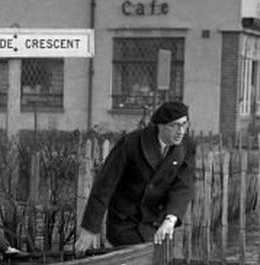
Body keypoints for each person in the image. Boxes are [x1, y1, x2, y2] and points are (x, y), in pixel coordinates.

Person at [75, 100, 196, 253]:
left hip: (153, 224)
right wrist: (90, 228)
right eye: (174, 125)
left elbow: (183, 185)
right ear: (160, 125)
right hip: (124, 223)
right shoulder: (130, 144)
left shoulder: (186, 146)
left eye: (184, 124)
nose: (181, 131)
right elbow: (104, 185)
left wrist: (170, 219)